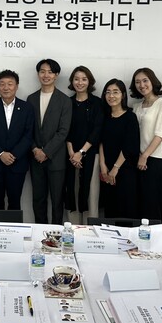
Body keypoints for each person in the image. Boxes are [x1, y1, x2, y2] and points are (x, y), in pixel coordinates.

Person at [0, 70, 34, 212]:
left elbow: (28, 135)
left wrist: (14, 155)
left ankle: (14, 227)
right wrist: (0, 154)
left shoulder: (27, 108)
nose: (6, 88)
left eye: (10, 84)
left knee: (15, 203)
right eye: (2, 84)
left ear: (17, 86)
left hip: (18, 163)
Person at [27, 59, 72, 225]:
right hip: (35, 158)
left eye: (50, 72)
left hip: (56, 159)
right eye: (42, 71)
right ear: (38, 74)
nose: (46, 75)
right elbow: (27, 129)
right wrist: (35, 149)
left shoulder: (64, 100)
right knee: (38, 199)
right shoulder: (31, 99)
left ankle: (57, 234)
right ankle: (40, 233)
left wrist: (46, 152)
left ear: (56, 75)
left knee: (57, 200)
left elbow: (63, 131)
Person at [130, 67, 162, 220]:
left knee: (151, 203)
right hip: (135, 159)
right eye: (137, 82)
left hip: (153, 159)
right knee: (137, 204)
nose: (142, 85)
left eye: (145, 80)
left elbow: (160, 134)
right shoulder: (136, 106)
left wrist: (145, 156)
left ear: (152, 81)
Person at [64, 66, 103, 219]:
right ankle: (73, 228)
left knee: (91, 194)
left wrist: (81, 152)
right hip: (71, 156)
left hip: (91, 154)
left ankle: (90, 229)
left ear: (89, 82)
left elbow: (97, 130)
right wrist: (72, 153)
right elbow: (65, 129)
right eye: (76, 79)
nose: (80, 83)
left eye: (84, 79)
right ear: (72, 81)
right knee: (72, 191)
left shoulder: (97, 103)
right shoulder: (67, 102)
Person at [98, 79, 140, 218]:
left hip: (125, 169)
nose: (111, 96)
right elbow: (101, 142)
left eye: (115, 92)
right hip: (107, 170)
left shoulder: (130, 117)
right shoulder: (104, 116)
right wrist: (103, 166)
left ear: (123, 95)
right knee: (109, 212)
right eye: (108, 92)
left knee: (125, 210)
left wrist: (115, 169)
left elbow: (129, 146)